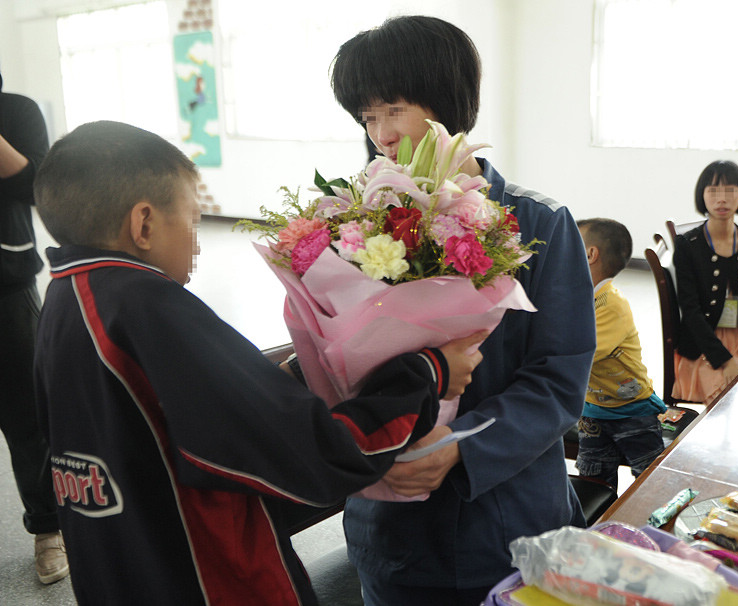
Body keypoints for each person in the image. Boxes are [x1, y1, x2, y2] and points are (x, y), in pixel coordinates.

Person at [32, 120, 485, 606]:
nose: (198, 241)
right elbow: (317, 457)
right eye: (192, 220)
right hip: (210, 579)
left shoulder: (64, 303)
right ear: (143, 223)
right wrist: (427, 373)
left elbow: (171, 425)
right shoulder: (150, 308)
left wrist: (290, 374)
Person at [330, 15, 596, 605]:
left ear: (445, 103)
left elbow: (559, 380)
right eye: (367, 117)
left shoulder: (539, 225)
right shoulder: (352, 229)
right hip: (393, 528)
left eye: (392, 109)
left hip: (508, 526)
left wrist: (462, 444)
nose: (380, 133)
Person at [0, 67, 69, 584]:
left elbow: (35, 187)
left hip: (6, 286)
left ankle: (49, 528)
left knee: (27, 418)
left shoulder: (16, 110)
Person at [672, 160, 738, 405]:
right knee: (727, 396)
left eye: (730, 191)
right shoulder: (688, 245)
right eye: (714, 191)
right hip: (703, 345)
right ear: (702, 196)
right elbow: (691, 311)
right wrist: (725, 361)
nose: (722, 199)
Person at [576, 218, 666, 490]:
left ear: (591, 254)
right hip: (593, 411)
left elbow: (582, 351)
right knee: (593, 477)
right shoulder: (580, 296)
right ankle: (599, 524)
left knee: (649, 481)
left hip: (631, 411)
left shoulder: (611, 303)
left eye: (570, 246)